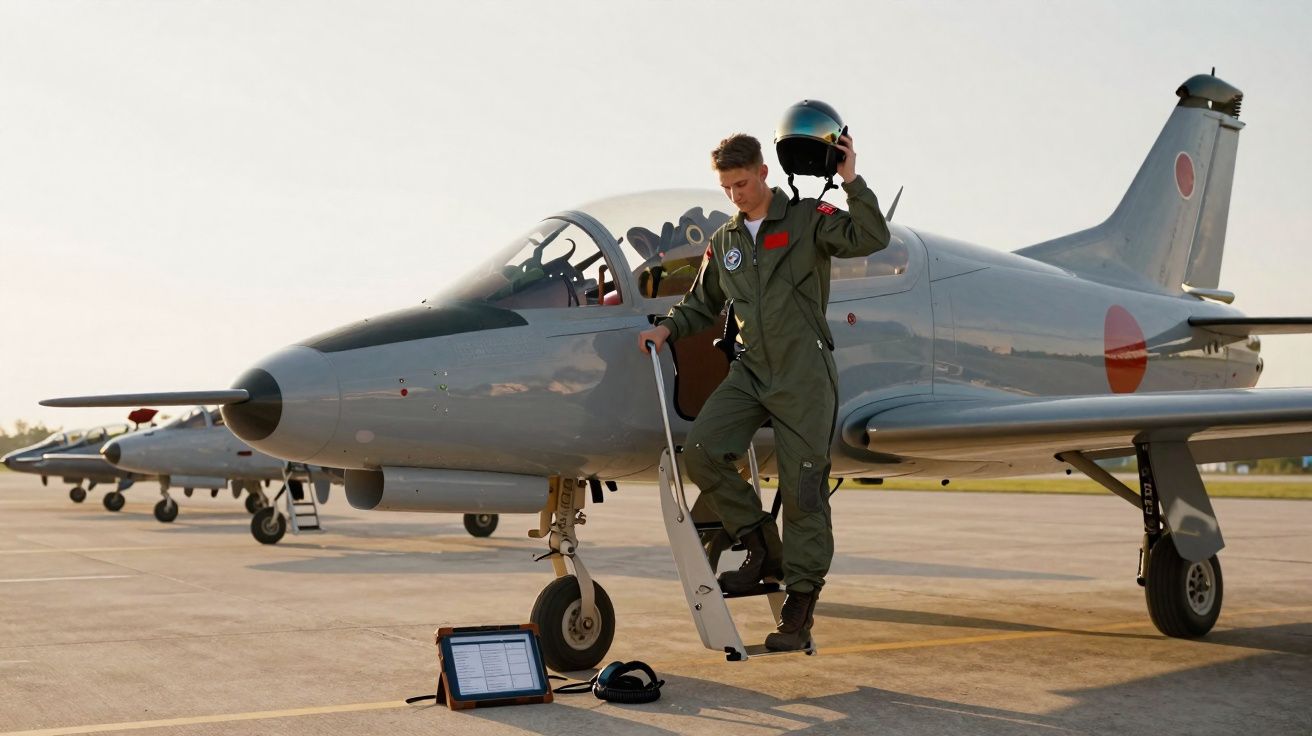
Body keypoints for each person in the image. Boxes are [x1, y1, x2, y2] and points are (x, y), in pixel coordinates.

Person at [637, 130, 889, 650]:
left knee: (803, 491)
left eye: (743, 183)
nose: (736, 195)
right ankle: (760, 543)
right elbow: (702, 301)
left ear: (764, 174)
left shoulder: (806, 221)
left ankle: (798, 610)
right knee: (702, 452)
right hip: (752, 370)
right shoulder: (726, 241)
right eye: (727, 187)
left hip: (803, 375)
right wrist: (666, 328)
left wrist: (850, 178)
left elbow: (870, 236)